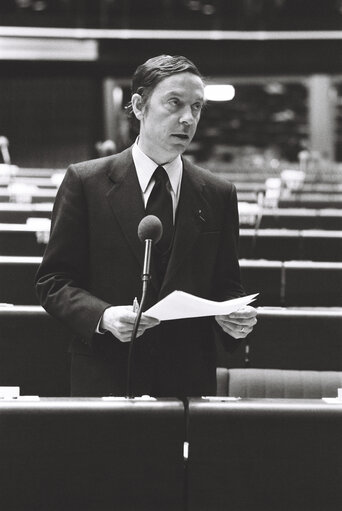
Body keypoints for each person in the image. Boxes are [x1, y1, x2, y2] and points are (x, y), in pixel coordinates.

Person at [35, 54, 257, 398]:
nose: (188, 118)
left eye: (197, 107)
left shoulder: (218, 193)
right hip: (105, 370)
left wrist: (234, 318)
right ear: (139, 106)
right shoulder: (85, 181)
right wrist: (104, 315)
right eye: (174, 103)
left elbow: (227, 285)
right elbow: (53, 281)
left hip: (186, 378)